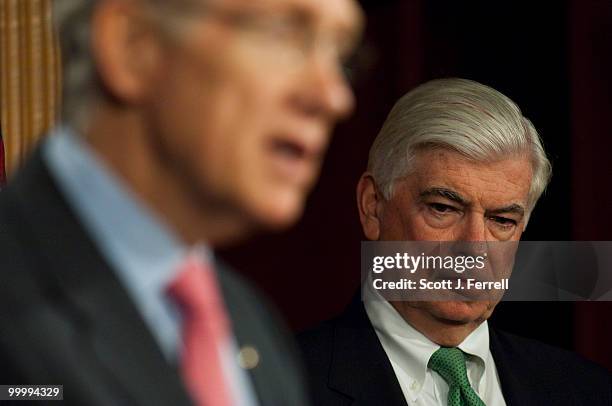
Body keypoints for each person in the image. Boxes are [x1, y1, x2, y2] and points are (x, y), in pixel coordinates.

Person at [0, 0, 363, 405]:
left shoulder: (253, 326)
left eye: (340, 53)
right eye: (282, 33)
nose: (334, 97)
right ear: (133, 46)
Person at [298, 78, 611, 406]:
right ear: (373, 206)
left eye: (502, 220)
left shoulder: (589, 391)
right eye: (443, 208)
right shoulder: (281, 385)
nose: (474, 247)